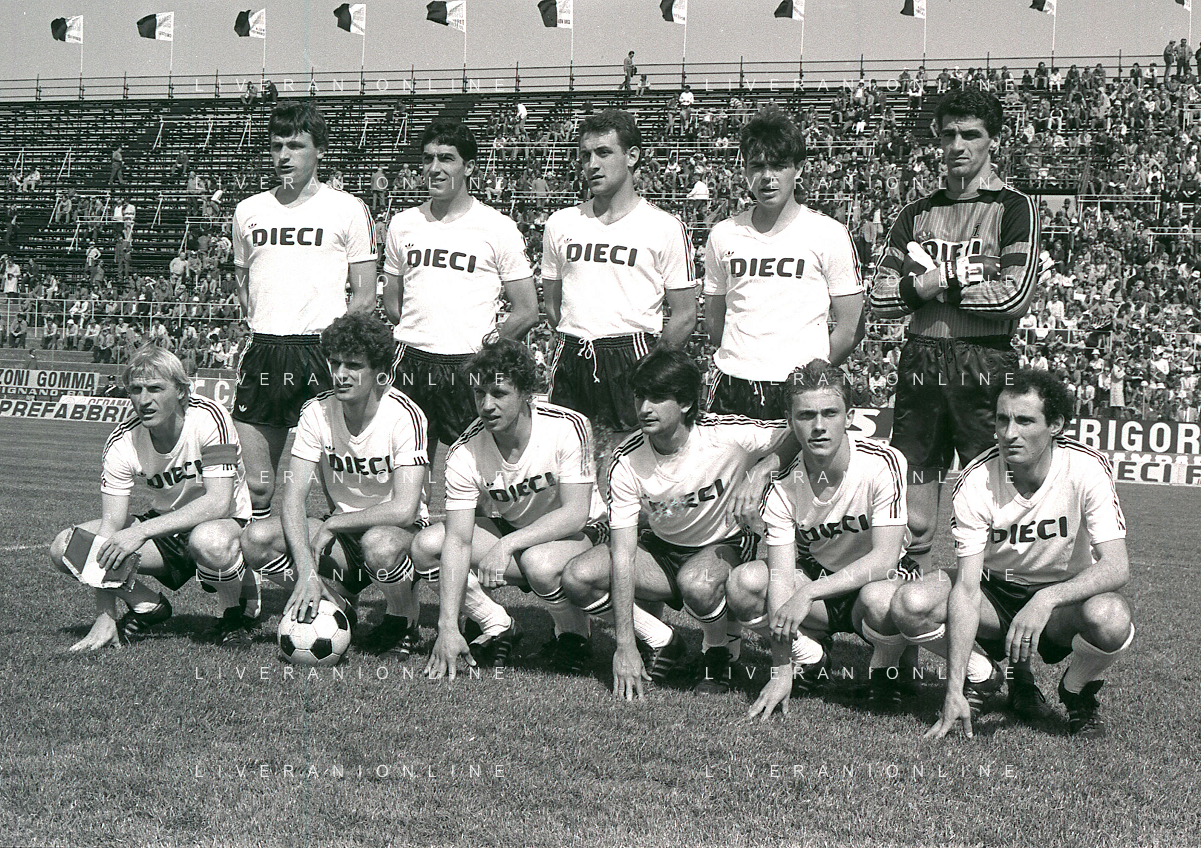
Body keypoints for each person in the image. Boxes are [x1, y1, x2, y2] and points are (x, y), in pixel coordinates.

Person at [892, 370, 1134, 739]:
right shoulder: (976, 479)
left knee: (1111, 616)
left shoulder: (1086, 467)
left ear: (1055, 425)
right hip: (995, 595)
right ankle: (982, 675)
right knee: (910, 603)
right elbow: (967, 589)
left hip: (1062, 601)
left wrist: (1046, 599)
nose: (1009, 433)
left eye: (1024, 420)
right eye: (1002, 420)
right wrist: (952, 689)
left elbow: (1117, 567)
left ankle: (1076, 690)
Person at [868, 88, 1045, 575]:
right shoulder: (916, 212)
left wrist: (929, 285)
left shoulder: (1014, 207)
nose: (957, 145)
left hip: (984, 360)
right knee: (914, 509)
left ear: (994, 140)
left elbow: (1013, 295)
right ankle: (907, 610)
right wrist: (951, 277)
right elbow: (879, 299)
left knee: (997, 499)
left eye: (971, 134)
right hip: (921, 359)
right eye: (949, 134)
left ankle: (995, 605)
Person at [562, 350, 797, 699]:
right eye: (640, 396)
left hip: (724, 543)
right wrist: (625, 645)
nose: (644, 408)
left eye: (658, 398)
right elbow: (623, 555)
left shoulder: (726, 434)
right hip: (662, 549)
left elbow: (796, 430)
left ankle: (717, 652)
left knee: (698, 583)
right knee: (578, 577)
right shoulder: (625, 460)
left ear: (686, 403)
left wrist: (762, 471)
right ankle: (662, 640)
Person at [728, 361, 916, 718]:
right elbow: (780, 578)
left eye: (830, 413)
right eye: (806, 415)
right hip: (821, 584)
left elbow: (884, 560)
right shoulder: (782, 485)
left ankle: (884, 672)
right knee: (745, 583)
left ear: (849, 416)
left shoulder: (883, 462)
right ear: (790, 421)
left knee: (880, 599)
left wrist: (808, 593)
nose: (818, 426)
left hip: (875, 585)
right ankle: (811, 658)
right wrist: (781, 669)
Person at [240, 313, 432, 655]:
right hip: (343, 537)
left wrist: (333, 523)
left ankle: (403, 618)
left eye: (354, 365)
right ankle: (336, 604)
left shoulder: (405, 415)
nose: (341, 374)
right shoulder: (316, 411)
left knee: (379, 545)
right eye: (335, 363)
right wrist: (306, 572)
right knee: (256, 539)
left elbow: (404, 509)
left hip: (397, 534)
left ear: (380, 371)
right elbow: (293, 499)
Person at [416, 339, 607, 679]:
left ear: (526, 393)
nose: (486, 405)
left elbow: (575, 512)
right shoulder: (464, 451)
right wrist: (447, 626)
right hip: (521, 533)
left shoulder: (567, 425)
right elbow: (458, 540)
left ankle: (574, 636)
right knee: (427, 544)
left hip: (584, 533)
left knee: (540, 562)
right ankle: (496, 624)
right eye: (479, 393)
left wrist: (507, 544)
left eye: (499, 393)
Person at [48, 346, 252, 650]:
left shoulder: (209, 417)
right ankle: (147, 605)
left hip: (224, 523)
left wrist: (140, 531)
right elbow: (109, 528)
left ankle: (231, 614)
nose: (144, 400)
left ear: (181, 391)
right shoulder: (122, 441)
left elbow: (218, 502)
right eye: (136, 389)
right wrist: (105, 615)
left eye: (155, 388)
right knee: (66, 546)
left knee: (208, 540)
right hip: (166, 527)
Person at [232, 101, 377, 520]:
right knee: (259, 486)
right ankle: (256, 560)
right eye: (276, 145)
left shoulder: (347, 209)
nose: (283, 156)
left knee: (341, 485)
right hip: (265, 350)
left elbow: (364, 297)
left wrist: (337, 349)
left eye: (295, 146)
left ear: (320, 150)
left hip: (323, 354)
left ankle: (336, 561)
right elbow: (243, 283)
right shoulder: (249, 210)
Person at [383, 120, 539, 458]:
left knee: (477, 468)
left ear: (469, 167)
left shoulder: (497, 227)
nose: (434, 168)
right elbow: (393, 303)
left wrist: (486, 347)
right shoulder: (402, 224)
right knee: (407, 463)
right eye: (428, 159)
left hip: (469, 364)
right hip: (411, 361)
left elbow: (527, 310)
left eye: (446, 158)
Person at [541, 109, 696, 436]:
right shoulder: (561, 223)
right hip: (572, 354)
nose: (592, 164)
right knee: (567, 453)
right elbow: (553, 306)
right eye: (585, 155)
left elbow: (684, 315)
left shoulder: (664, 226)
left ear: (632, 156)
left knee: (633, 456)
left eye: (603, 152)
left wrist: (650, 369)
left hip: (633, 354)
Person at [703, 108, 865, 420]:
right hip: (733, 385)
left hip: (799, 389)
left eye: (778, 166)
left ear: (798, 168)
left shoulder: (829, 233)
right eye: (757, 166)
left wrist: (809, 374)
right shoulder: (723, 234)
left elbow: (851, 328)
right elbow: (714, 323)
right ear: (745, 170)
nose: (767, 177)